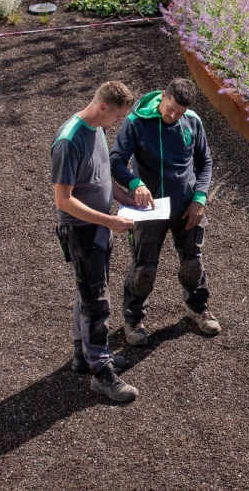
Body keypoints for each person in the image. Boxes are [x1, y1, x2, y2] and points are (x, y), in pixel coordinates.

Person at [110, 77, 218, 346]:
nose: (172, 116)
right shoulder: (136, 122)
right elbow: (115, 161)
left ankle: (197, 308)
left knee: (193, 261)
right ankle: (133, 318)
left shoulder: (192, 121)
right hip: (150, 208)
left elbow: (204, 162)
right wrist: (135, 183)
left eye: (179, 113)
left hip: (186, 206)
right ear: (162, 96)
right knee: (144, 267)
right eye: (170, 108)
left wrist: (200, 197)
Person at [52, 81, 139, 402]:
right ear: (103, 107)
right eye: (117, 116)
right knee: (96, 301)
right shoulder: (69, 141)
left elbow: (102, 179)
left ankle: (82, 355)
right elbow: (64, 200)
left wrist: (127, 198)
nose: (117, 123)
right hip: (82, 231)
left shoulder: (97, 130)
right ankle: (100, 372)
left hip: (99, 228)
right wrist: (110, 221)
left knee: (86, 292)